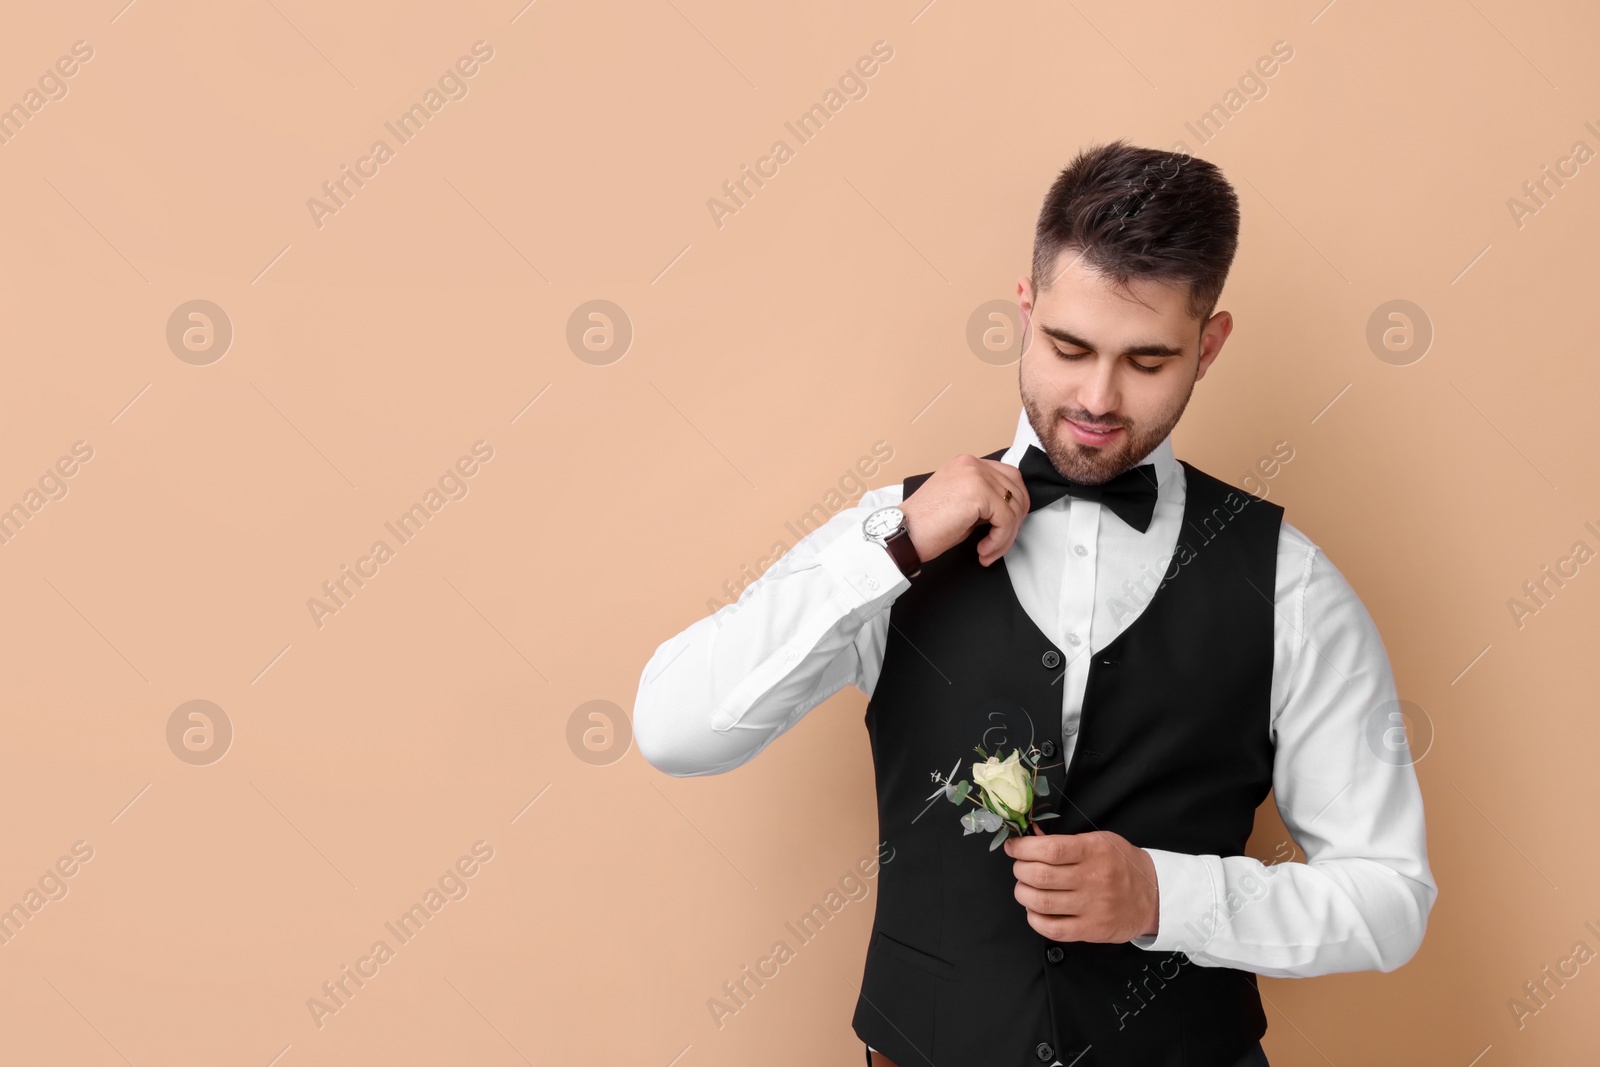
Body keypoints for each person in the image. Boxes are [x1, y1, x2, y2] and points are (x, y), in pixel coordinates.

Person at [633, 140, 1436, 1067]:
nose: (1097, 397)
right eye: (1068, 347)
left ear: (1209, 348)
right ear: (1025, 309)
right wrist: (893, 544)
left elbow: (1390, 896)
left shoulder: (1290, 585)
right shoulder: (892, 541)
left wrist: (1162, 895)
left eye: (1148, 360)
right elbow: (673, 726)